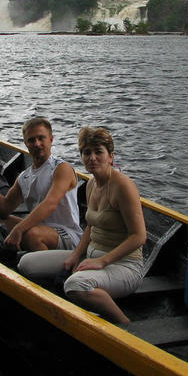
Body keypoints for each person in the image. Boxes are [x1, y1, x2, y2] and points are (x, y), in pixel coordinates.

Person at [17, 127, 146, 324]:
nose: (92, 158)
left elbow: (139, 236)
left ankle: (125, 325)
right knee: (26, 264)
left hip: (124, 266)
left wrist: (102, 262)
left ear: (110, 156)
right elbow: (90, 227)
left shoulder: (123, 186)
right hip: (90, 257)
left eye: (98, 152)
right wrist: (76, 255)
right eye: (87, 153)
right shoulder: (92, 184)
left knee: (75, 285)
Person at [0, 117, 82, 252]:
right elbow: (4, 209)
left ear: (51, 139)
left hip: (67, 233)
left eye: (41, 138)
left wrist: (18, 229)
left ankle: (50, 270)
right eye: (31, 140)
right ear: (26, 143)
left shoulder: (61, 168)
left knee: (32, 235)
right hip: (37, 227)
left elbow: (50, 204)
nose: (37, 143)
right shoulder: (24, 177)